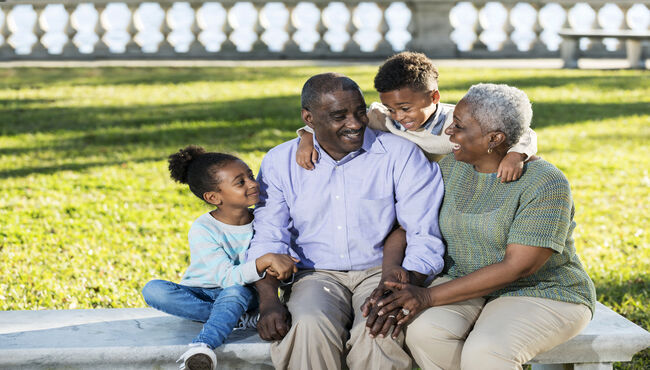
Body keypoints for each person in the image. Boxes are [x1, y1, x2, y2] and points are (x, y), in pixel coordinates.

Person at [372, 84, 596, 370]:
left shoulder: (545, 183)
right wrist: (392, 271)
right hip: (464, 282)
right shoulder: (451, 168)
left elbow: (519, 267)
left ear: (494, 138)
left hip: (542, 291)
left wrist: (427, 296)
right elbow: (408, 226)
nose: (449, 131)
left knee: (487, 351)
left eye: (460, 126)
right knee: (425, 332)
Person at [246, 73, 445, 370]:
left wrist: (407, 285)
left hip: (382, 271)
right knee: (309, 325)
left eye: (359, 112)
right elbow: (268, 236)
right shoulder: (280, 162)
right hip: (313, 274)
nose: (355, 123)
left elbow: (422, 231)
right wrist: (269, 301)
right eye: (339, 116)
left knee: (380, 329)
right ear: (308, 118)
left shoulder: (400, 154)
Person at [142, 145, 299, 370]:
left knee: (235, 292)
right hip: (204, 292)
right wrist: (262, 261)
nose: (253, 184)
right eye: (240, 182)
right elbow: (226, 277)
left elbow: (281, 267)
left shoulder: (265, 222)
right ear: (214, 197)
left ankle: (203, 345)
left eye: (251, 176)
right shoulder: (203, 229)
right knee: (153, 290)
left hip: (249, 294)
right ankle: (239, 319)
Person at [296, 52, 537, 182]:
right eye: (392, 108)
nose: (399, 117)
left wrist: (516, 155)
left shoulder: (460, 121)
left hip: (453, 182)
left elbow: (523, 131)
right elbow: (340, 125)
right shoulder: (383, 118)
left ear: (433, 97)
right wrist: (307, 138)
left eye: (405, 108)